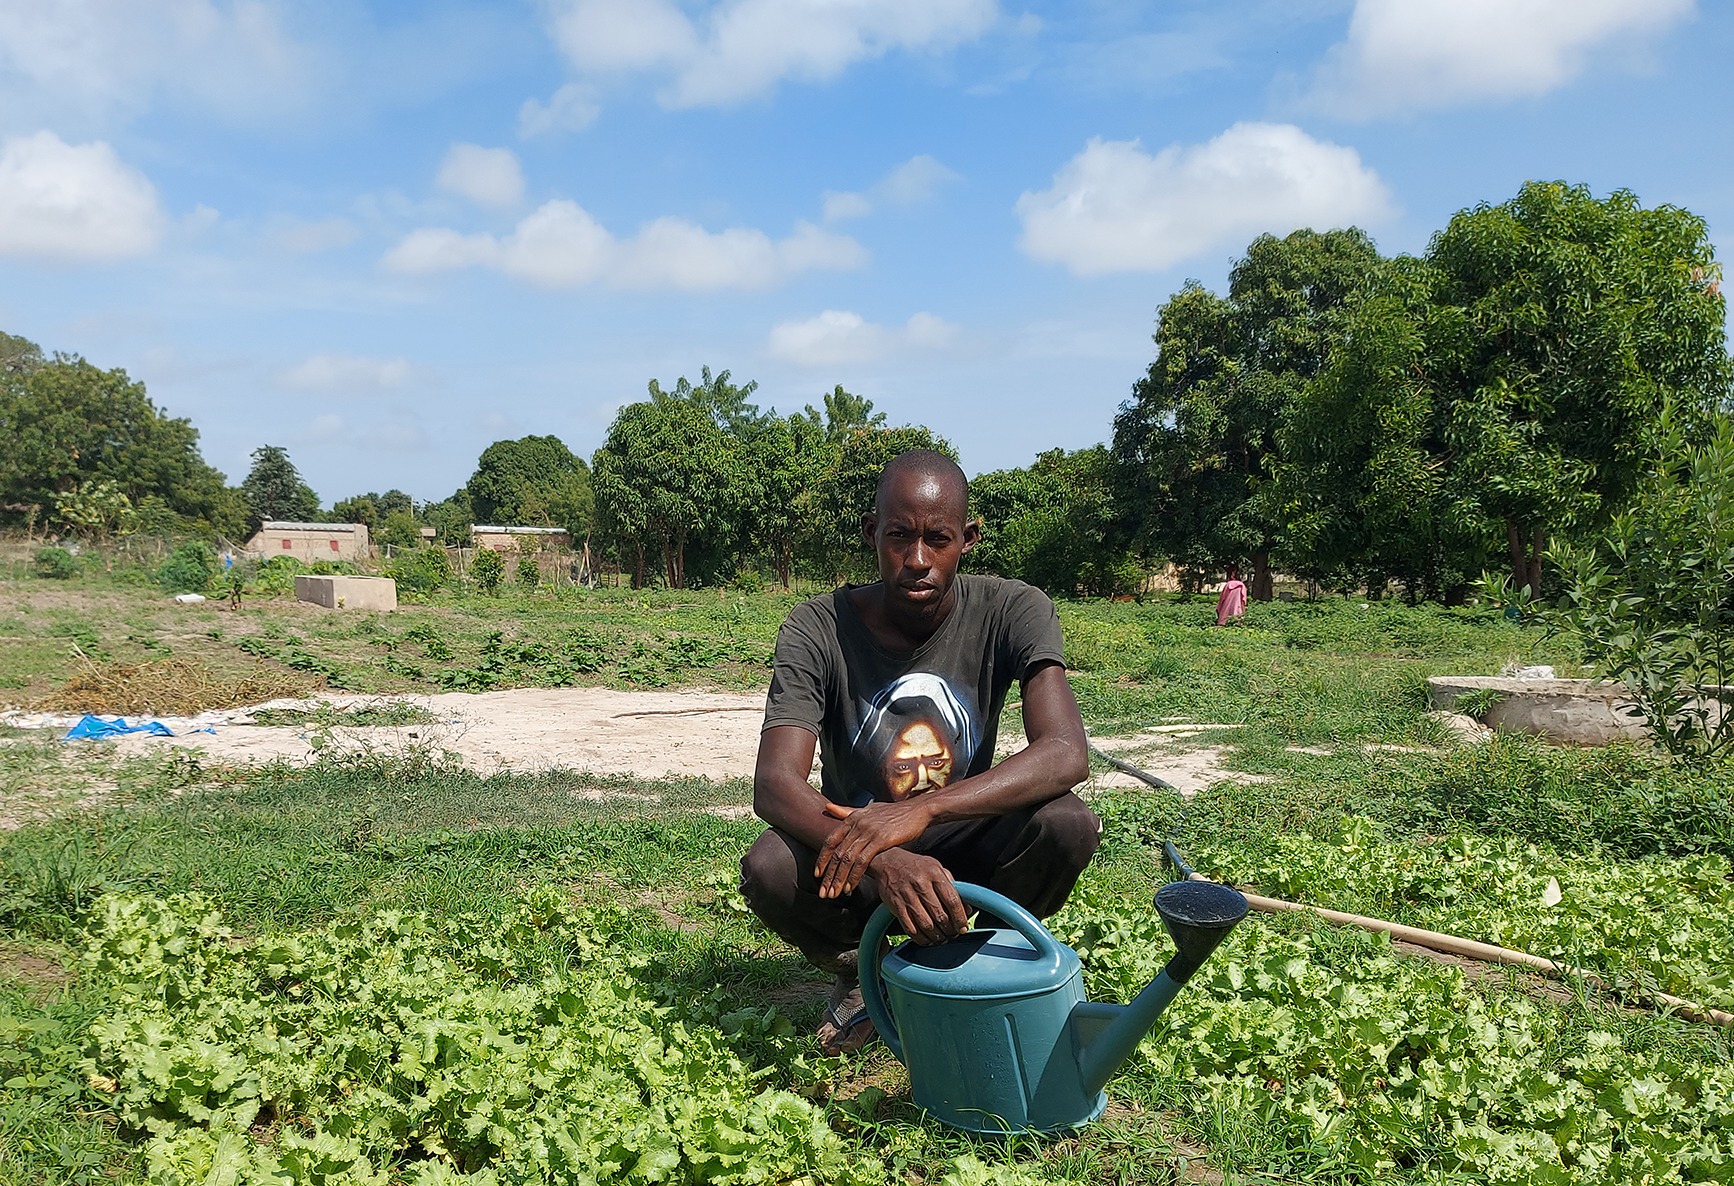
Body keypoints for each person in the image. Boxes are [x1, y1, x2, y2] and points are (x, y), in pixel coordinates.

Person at [740, 449, 1100, 1054]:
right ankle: (865, 967)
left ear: (968, 539)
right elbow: (775, 782)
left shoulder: (1013, 609)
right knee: (770, 867)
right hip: (854, 843)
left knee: (1067, 824)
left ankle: (969, 958)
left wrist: (925, 810)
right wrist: (880, 856)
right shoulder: (817, 626)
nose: (917, 560)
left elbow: (1066, 752)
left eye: (938, 539)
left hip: (963, 833)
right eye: (899, 536)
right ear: (871, 533)